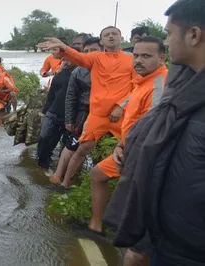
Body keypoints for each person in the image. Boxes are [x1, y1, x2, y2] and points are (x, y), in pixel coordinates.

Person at [104, 1, 205, 265]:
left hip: (189, 247)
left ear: (193, 35)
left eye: (170, 34)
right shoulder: (182, 86)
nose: (167, 42)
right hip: (165, 231)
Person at [86, 36, 168, 265]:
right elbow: (135, 112)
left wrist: (128, 150)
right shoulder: (144, 81)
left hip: (142, 155)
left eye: (146, 56)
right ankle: (96, 225)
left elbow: (154, 127)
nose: (139, 60)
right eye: (136, 55)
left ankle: (129, 242)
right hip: (128, 148)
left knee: (136, 204)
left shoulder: (160, 83)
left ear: (162, 58)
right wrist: (121, 144)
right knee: (97, 175)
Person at [43, 26, 136, 189]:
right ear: (102, 41)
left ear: (122, 38)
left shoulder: (132, 59)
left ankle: (122, 187)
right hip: (97, 115)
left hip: (122, 115)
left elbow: (137, 86)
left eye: (115, 34)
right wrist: (64, 48)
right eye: (107, 35)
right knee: (82, 148)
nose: (111, 37)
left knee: (128, 149)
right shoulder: (95, 58)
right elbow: (78, 57)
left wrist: (121, 106)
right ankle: (65, 183)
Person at [49, 37, 103, 183]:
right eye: (87, 51)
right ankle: (58, 176)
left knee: (102, 148)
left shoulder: (112, 69)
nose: (90, 54)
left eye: (94, 50)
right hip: (83, 113)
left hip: (109, 114)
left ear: (102, 50)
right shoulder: (78, 72)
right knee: (72, 145)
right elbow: (70, 97)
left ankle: (92, 179)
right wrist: (69, 119)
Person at [36, 52, 79, 171]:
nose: (64, 62)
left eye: (67, 59)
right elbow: (51, 94)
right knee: (44, 136)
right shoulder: (59, 74)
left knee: (62, 140)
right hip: (53, 111)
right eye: (63, 60)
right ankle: (42, 161)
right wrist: (44, 111)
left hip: (70, 115)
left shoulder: (81, 74)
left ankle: (60, 166)